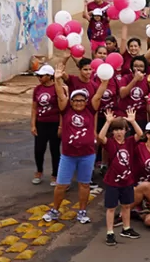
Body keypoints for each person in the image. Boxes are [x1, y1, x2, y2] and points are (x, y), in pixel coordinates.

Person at [44, 69, 110, 225]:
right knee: (61, 185)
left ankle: (82, 212)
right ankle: (55, 210)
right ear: (71, 101)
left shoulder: (90, 110)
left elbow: (98, 95)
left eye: (81, 100)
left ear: (86, 101)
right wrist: (57, 79)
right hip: (68, 156)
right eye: (75, 100)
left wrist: (105, 81)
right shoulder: (66, 110)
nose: (78, 103)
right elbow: (60, 95)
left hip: (87, 155)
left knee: (84, 184)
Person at [97, 109, 143, 246]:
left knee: (126, 206)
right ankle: (110, 232)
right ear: (112, 132)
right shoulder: (110, 143)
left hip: (127, 180)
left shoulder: (129, 142)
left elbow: (140, 134)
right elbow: (100, 137)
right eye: (115, 130)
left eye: (121, 129)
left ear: (126, 130)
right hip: (113, 181)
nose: (118, 132)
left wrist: (133, 121)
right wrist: (107, 122)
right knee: (111, 207)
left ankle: (126, 228)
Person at [31, 65, 61, 186]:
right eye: (38, 76)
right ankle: (39, 171)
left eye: (41, 76)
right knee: (39, 149)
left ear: (49, 76)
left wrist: (61, 126)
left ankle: (55, 174)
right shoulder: (37, 89)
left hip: (54, 123)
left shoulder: (57, 89)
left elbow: (62, 109)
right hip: (41, 123)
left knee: (55, 150)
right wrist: (33, 124)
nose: (39, 78)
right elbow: (34, 108)